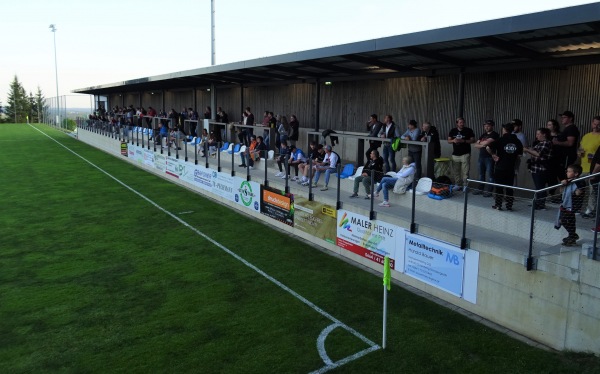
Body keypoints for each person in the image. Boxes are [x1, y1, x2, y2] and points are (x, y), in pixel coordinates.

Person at [487, 123, 523, 211]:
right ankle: (509, 206)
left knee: (499, 187)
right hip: (511, 168)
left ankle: (498, 205)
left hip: (500, 167)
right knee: (509, 188)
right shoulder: (517, 141)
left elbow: (488, 147)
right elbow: (520, 154)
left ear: (504, 130)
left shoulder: (501, 139)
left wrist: (493, 155)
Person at [523, 128, 553, 210]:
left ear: (544, 134)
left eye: (538, 134)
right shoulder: (540, 143)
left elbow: (538, 154)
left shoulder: (546, 143)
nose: (537, 136)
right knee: (537, 187)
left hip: (541, 168)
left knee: (540, 187)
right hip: (535, 168)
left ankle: (541, 204)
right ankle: (537, 202)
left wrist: (527, 150)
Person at [555, 164, 584, 246]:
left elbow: (578, 192)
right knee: (571, 221)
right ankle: (572, 237)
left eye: (569, 171)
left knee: (563, 220)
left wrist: (571, 184)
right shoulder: (567, 181)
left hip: (572, 206)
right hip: (565, 204)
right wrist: (563, 185)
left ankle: (573, 235)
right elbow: (561, 192)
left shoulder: (580, 181)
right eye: (567, 171)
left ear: (576, 174)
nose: (567, 173)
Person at [579, 116, 600, 218]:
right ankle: (578, 208)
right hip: (583, 166)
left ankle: (590, 210)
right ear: (592, 123)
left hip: (594, 168)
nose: (596, 126)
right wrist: (579, 152)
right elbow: (580, 148)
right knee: (580, 188)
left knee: (592, 191)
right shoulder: (586, 136)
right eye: (595, 124)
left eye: (598, 124)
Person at [448, 117, 476, 190]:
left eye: (463, 122)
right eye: (460, 122)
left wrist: (464, 141)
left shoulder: (468, 130)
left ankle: (465, 185)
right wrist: (453, 140)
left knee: (465, 172)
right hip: (455, 154)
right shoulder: (453, 130)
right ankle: (458, 184)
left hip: (465, 154)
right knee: (456, 171)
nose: (462, 124)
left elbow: (473, 140)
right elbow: (449, 141)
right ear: (457, 123)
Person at [473, 119, 499, 196]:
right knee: (481, 174)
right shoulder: (483, 135)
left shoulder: (495, 134)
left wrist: (481, 144)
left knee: (490, 175)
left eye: (488, 126)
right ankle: (480, 189)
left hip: (490, 157)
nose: (486, 127)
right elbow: (475, 145)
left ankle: (489, 191)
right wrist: (483, 144)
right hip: (481, 157)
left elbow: (486, 143)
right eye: (485, 126)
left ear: (492, 126)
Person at [553, 110, 580, 180]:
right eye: (562, 117)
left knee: (565, 176)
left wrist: (557, 142)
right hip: (562, 157)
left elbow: (570, 143)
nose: (562, 119)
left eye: (564, 117)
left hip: (567, 157)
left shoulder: (572, 128)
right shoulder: (567, 128)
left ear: (570, 118)